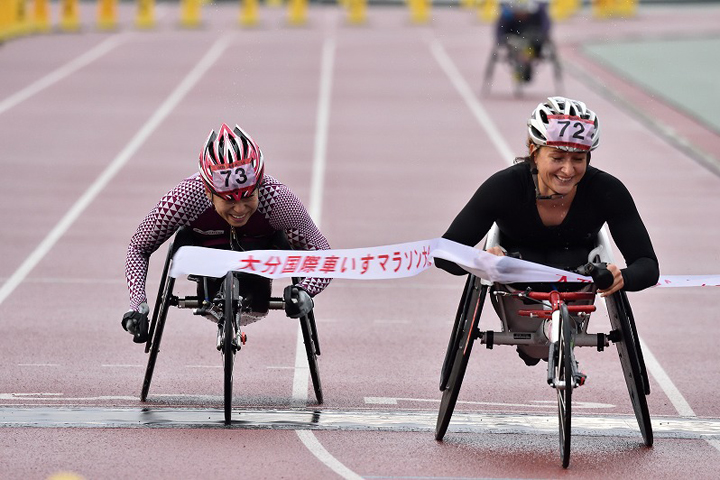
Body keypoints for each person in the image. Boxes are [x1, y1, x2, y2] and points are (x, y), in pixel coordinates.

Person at [435, 96, 659, 364]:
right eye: (557, 157)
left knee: (543, 347)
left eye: (578, 158)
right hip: (517, 286)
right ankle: (532, 349)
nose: (567, 170)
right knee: (532, 352)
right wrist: (481, 261)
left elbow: (647, 264)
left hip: (579, 283)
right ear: (533, 150)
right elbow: (444, 252)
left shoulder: (607, 191)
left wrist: (622, 277)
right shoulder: (504, 188)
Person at [122, 123, 331, 343]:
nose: (239, 209)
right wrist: (138, 304)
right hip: (206, 260)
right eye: (228, 199)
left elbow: (322, 252)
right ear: (207, 191)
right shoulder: (186, 198)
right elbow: (139, 247)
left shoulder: (278, 201)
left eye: (248, 197)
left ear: (260, 184)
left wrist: (307, 290)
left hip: (260, 260)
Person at [495, 0, 552, 82]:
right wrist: (501, 41)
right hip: (514, 38)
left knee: (535, 40)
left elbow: (546, 27)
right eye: (519, 13)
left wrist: (543, 36)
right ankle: (521, 64)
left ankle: (526, 63)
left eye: (524, 12)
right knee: (515, 43)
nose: (522, 14)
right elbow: (500, 30)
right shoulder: (507, 13)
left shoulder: (539, 10)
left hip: (533, 38)